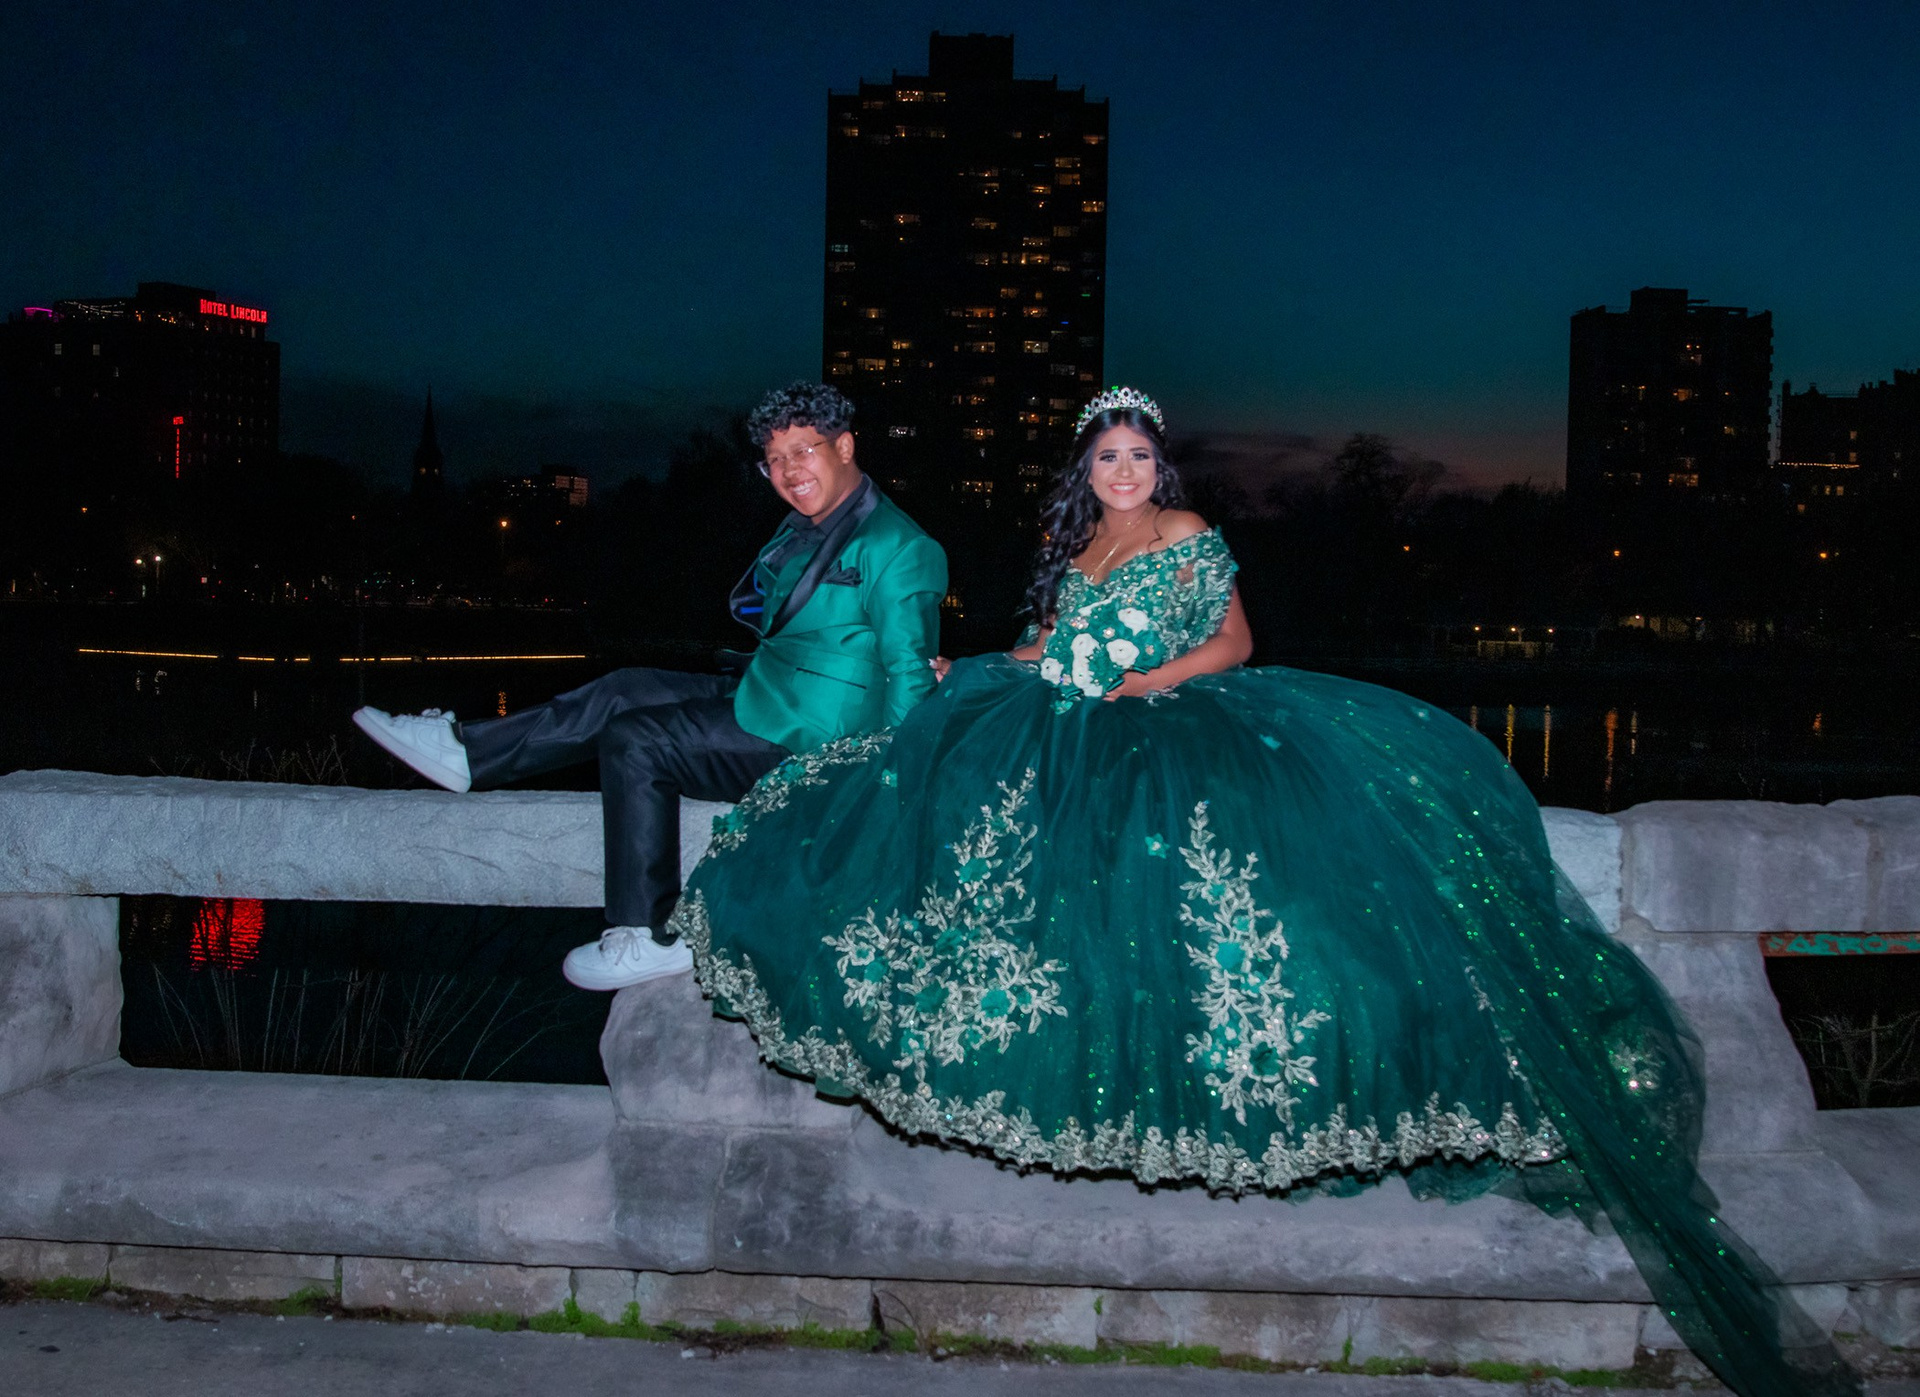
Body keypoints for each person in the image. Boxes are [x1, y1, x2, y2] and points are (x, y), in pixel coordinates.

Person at [666, 387, 1856, 1397]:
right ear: (1086, 470)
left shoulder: (1187, 528)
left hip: (1180, 726)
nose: (1123, 471)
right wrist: (976, 663)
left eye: (1137, 455)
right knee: (1015, 892)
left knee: (1235, 916)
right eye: (1106, 457)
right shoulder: (1075, 554)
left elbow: (1236, 642)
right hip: (1071, 730)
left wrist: (1146, 684)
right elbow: (1043, 648)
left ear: (1158, 465)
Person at [351, 382, 947, 991]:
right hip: (768, 691)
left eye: (803, 451)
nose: (788, 471)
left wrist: (883, 798)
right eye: (774, 460)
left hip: (817, 744)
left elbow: (910, 679)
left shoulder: (899, 546)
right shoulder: (809, 524)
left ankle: (650, 934)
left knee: (639, 742)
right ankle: (466, 753)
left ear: (844, 447)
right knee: (625, 687)